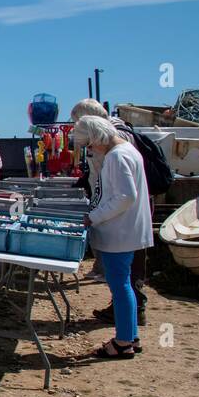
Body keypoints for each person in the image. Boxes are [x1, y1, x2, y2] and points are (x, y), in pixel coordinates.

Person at [75, 115, 152, 359]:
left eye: (89, 145)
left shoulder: (117, 157)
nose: (90, 150)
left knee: (120, 286)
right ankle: (129, 334)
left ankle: (122, 342)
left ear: (97, 137)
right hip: (125, 229)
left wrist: (94, 216)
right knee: (123, 285)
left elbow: (124, 196)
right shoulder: (127, 150)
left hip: (119, 232)